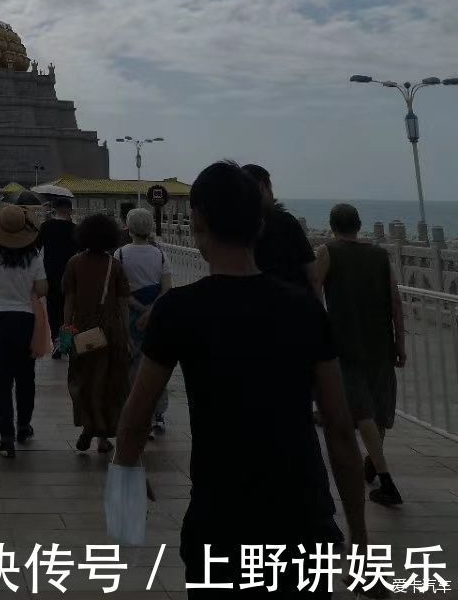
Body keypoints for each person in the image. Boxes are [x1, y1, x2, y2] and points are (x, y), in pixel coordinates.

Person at [116, 161, 366, 593]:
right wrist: (359, 540)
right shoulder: (306, 310)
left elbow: (135, 417)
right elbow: (340, 429)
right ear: (260, 221)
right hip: (304, 519)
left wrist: (128, 483)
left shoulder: (179, 310)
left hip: (221, 522)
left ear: (197, 218)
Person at [316, 202, 405, 507]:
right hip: (381, 342)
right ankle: (374, 461)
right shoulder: (380, 256)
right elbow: (396, 302)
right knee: (378, 407)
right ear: (358, 223)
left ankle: (386, 478)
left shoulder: (328, 252)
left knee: (363, 410)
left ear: (332, 225)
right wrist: (400, 343)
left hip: (345, 342)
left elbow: (312, 294)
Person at [0, 204, 47, 459]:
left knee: (0, 380)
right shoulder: (33, 255)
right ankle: (24, 426)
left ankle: (6, 436)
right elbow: (43, 288)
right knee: (26, 377)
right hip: (25, 321)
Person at [63, 213, 130, 453]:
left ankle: (88, 425)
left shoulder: (74, 263)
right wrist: (126, 334)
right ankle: (104, 436)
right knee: (110, 382)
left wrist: (66, 329)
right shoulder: (115, 265)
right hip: (110, 330)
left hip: (82, 330)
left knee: (83, 380)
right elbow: (123, 302)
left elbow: (69, 299)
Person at [114, 208, 172, 436]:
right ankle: (158, 414)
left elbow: (120, 292)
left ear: (128, 228)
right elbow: (166, 290)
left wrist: (138, 308)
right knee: (157, 362)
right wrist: (150, 311)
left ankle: (134, 411)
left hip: (129, 314)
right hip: (155, 316)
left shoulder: (120, 254)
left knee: (131, 364)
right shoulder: (160, 255)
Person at [242, 164, 320, 296]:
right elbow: (312, 273)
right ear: (262, 187)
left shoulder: (237, 228)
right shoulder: (286, 222)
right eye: (270, 188)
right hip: (294, 304)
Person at [37, 196, 80, 357]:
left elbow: (36, 248)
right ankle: (65, 342)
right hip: (70, 274)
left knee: (53, 309)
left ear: (55, 209)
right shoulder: (76, 229)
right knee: (68, 310)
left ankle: (56, 339)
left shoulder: (46, 227)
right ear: (69, 210)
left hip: (50, 274)